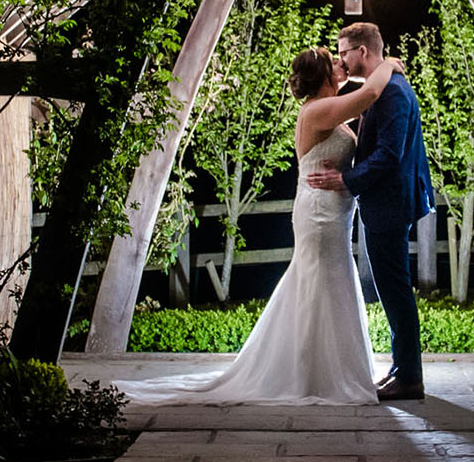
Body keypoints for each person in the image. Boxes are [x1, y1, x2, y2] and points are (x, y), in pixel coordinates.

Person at [127, 42, 401, 402]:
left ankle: (328, 369)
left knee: (328, 281)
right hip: (320, 214)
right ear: (321, 76)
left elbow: (361, 103)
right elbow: (371, 93)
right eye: (333, 62)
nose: (340, 65)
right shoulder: (318, 111)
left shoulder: (325, 109)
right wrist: (390, 63)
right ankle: (312, 376)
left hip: (333, 211)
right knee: (322, 281)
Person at [306, 21, 435, 400]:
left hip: (389, 204)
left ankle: (409, 376)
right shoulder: (383, 86)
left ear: (362, 51)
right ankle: (401, 369)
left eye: (344, 52)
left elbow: (389, 155)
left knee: (395, 289)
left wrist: (347, 180)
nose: (342, 59)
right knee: (393, 287)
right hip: (388, 202)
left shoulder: (391, 92)